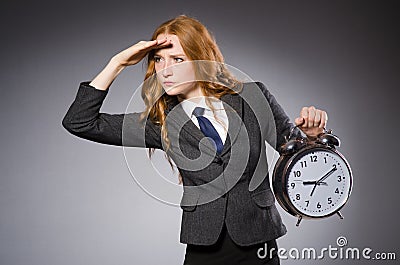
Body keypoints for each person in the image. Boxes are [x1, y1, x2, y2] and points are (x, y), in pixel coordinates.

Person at [62, 15, 327, 265]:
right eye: (158, 59)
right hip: (205, 246)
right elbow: (80, 121)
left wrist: (314, 138)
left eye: (177, 59)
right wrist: (117, 63)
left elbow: (297, 155)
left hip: (260, 241)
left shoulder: (253, 97)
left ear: (201, 59)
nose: (164, 70)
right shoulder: (161, 123)